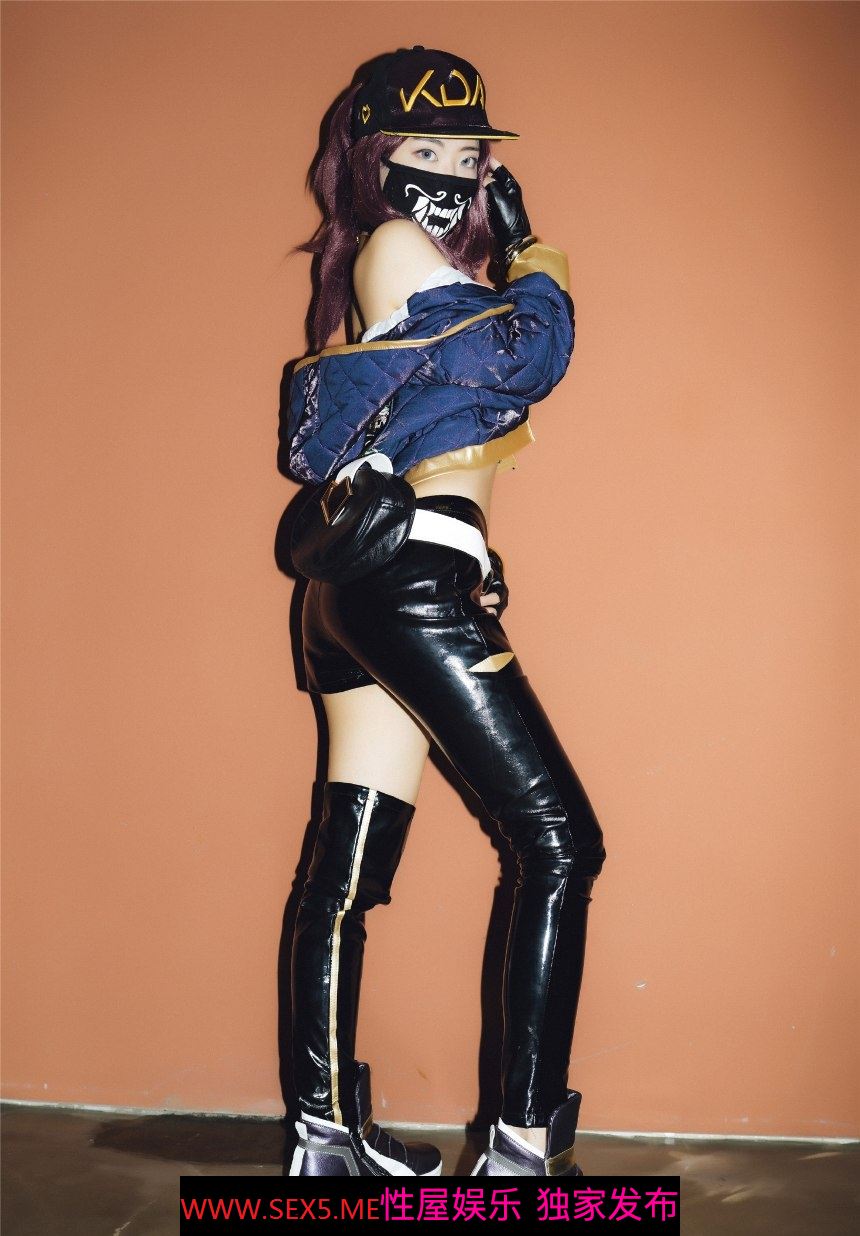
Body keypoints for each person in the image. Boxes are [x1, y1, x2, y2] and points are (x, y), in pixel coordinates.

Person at [282, 45, 607, 1177]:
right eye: (427, 149)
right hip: (408, 583)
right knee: (559, 842)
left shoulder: (389, 273)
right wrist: (536, 252)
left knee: (346, 871)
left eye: (469, 153)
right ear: (375, 158)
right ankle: (521, 1150)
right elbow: (526, 353)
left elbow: (439, 413)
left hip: (360, 588)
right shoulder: (394, 247)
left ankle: (325, 1139)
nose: (456, 171)